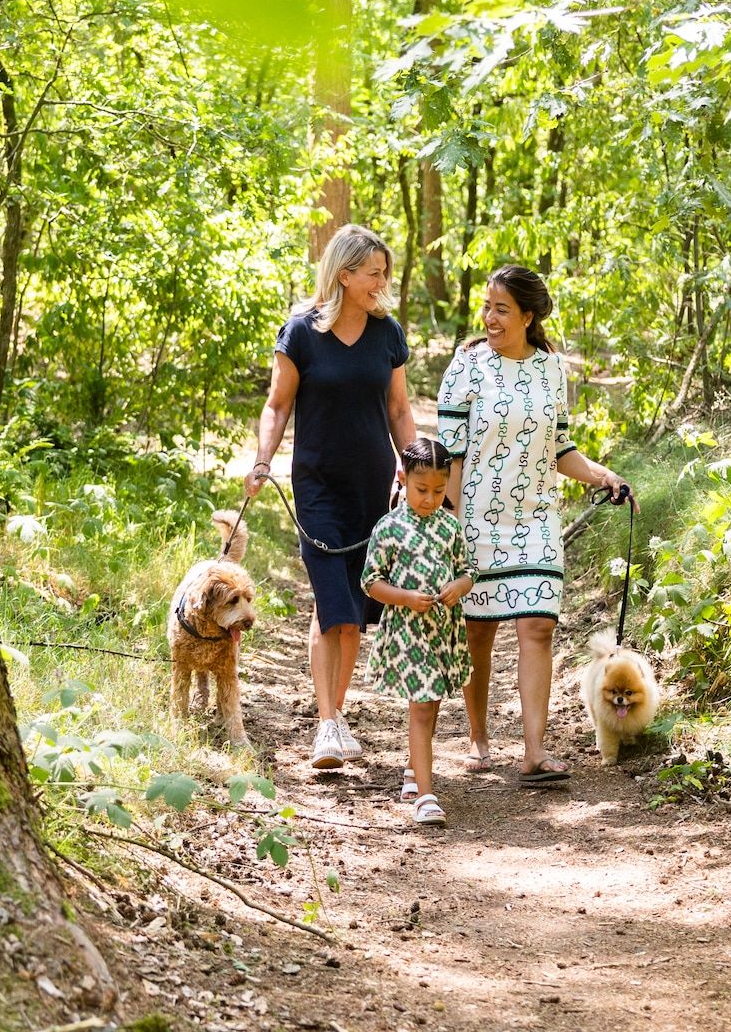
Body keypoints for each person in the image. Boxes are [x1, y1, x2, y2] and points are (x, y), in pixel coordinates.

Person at [436, 264, 630, 784]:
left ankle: (534, 752)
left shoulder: (551, 369)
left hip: (536, 520)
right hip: (476, 520)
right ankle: (478, 736)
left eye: (501, 309)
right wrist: (452, 519)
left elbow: (561, 450)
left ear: (527, 316)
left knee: (538, 626)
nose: (490, 318)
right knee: (478, 632)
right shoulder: (467, 365)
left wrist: (604, 475)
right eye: (487, 307)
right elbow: (450, 453)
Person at [245, 225, 418, 769]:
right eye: (374, 274)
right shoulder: (300, 332)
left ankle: (337, 714)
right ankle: (325, 725)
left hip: (371, 483)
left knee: (354, 609)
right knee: (329, 602)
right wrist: (262, 459)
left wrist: (415, 468)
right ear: (344, 275)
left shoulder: (387, 333)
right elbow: (277, 405)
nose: (382, 283)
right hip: (317, 484)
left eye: (384, 273)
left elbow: (398, 409)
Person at [361, 437, 474, 826]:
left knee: (432, 702)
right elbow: (371, 582)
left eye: (439, 491)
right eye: (421, 489)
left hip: (443, 630)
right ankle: (426, 796)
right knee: (422, 706)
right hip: (409, 632)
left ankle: (414, 766)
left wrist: (459, 586)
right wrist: (405, 598)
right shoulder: (389, 528)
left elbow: (468, 570)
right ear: (404, 480)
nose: (429, 499)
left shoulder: (450, 527)